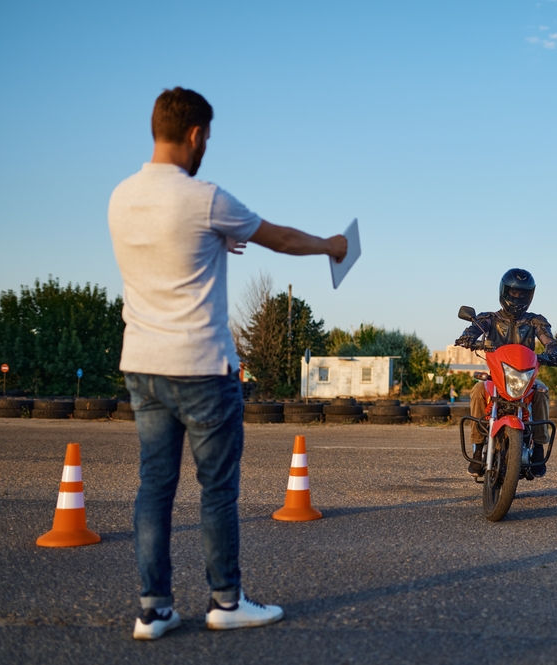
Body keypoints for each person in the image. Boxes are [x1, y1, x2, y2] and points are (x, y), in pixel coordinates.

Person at [108, 87, 347, 641]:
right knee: (216, 489)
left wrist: (216, 242)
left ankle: (154, 609)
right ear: (195, 134)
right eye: (207, 138)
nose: (205, 148)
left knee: (154, 487)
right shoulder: (204, 197)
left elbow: (169, 250)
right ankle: (225, 600)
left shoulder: (120, 196)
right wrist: (332, 245)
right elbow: (281, 239)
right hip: (201, 365)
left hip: (142, 365)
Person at [454, 269, 557, 478]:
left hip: (525, 378)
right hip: (497, 377)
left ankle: (539, 447)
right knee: (478, 390)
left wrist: (554, 352)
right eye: (514, 293)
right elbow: (474, 329)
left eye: (522, 294)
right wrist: (467, 337)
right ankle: (477, 447)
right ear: (504, 292)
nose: (517, 298)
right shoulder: (489, 318)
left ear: (530, 295)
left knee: (541, 391)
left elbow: (548, 339)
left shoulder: (535, 322)